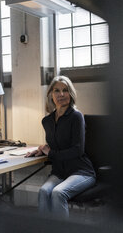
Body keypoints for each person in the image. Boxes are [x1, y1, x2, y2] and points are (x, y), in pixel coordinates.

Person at [25, 75, 96, 218]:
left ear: (71, 94)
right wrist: (41, 150)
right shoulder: (47, 121)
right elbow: (56, 145)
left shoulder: (76, 116)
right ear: (51, 94)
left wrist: (49, 153)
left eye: (65, 90)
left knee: (58, 193)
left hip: (81, 172)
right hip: (59, 173)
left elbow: (77, 150)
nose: (61, 94)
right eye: (57, 90)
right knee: (44, 192)